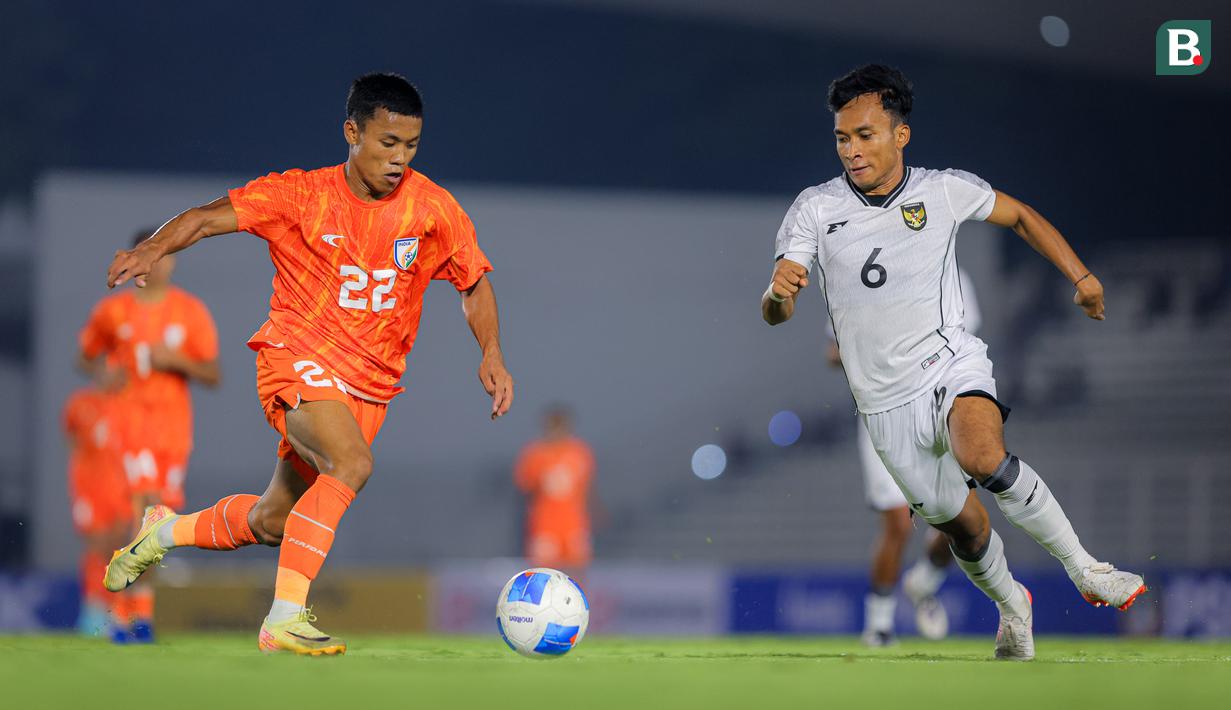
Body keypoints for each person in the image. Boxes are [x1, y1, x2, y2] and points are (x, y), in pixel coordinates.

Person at [101, 72, 514, 656]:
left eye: (411, 146)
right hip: (296, 356)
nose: (400, 159)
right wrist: (152, 248)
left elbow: (473, 281)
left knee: (272, 522)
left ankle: (161, 531)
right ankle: (285, 618)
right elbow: (205, 216)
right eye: (387, 143)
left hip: (370, 388)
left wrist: (491, 352)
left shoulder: (433, 209)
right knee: (351, 461)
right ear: (352, 132)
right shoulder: (299, 195)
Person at [762, 64, 1145, 660]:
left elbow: (1018, 215)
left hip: (949, 362)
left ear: (900, 135)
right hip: (883, 405)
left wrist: (1083, 277)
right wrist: (778, 294)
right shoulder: (815, 208)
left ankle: (1086, 568)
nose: (853, 150)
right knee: (964, 528)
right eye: (843, 138)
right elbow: (775, 314)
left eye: (866, 135)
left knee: (984, 455)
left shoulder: (940, 189)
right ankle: (1013, 606)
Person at [78, 229, 220, 641]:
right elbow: (86, 357)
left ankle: (140, 614)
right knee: (141, 511)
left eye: (165, 256)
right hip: (129, 423)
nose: (158, 264)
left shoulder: (190, 313)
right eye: (149, 256)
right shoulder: (113, 314)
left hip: (174, 431)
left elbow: (212, 373)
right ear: (135, 261)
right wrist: (101, 372)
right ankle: (119, 616)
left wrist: (175, 360)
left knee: (159, 524)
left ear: (172, 260)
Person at [829, 267, 980, 646]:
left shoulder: (951, 271)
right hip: (883, 415)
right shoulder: (863, 267)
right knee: (897, 523)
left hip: (936, 413)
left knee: (961, 523)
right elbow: (835, 351)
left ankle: (923, 584)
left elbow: (964, 341)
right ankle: (878, 626)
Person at [63, 384, 130, 637]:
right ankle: (93, 611)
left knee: (117, 545)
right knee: (96, 543)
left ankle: (114, 610)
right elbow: (70, 438)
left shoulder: (127, 404)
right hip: (90, 488)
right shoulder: (80, 403)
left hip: (120, 487)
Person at [514, 406, 595, 577]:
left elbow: (587, 489)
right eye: (553, 426)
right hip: (545, 524)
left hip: (573, 523)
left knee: (577, 571)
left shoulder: (579, 453)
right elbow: (525, 489)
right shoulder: (535, 454)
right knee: (542, 573)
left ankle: (577, 603)